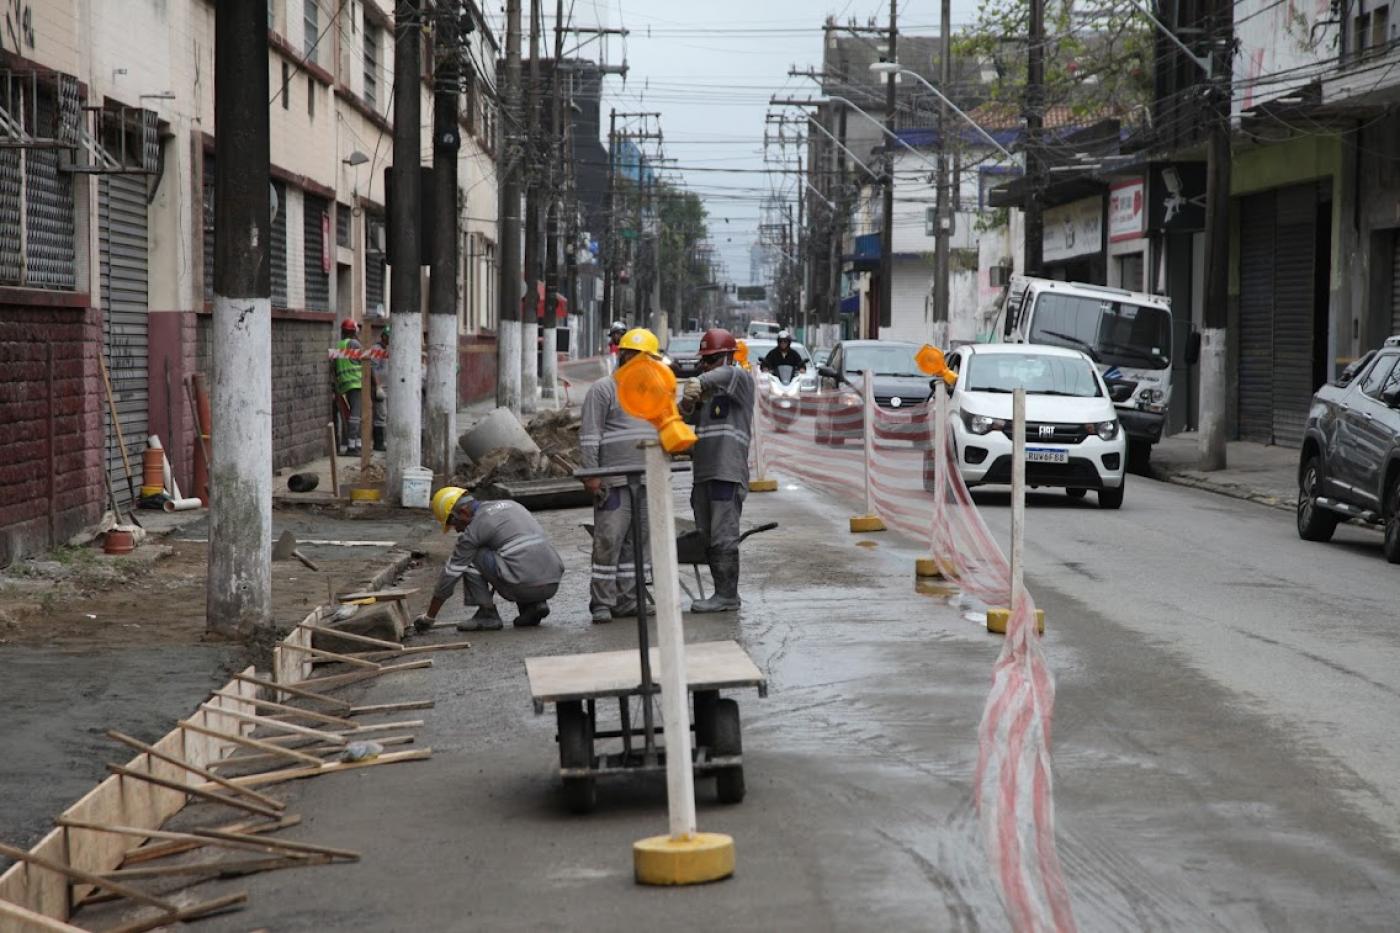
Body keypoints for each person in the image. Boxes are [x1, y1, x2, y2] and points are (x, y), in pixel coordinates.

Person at [580, 328, 660, 624]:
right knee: (609, 540)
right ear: (623, 356)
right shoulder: (603, 389)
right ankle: (602, 601)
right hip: (613, 481)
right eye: (637, 357)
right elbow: (590, 435)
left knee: (638, 544)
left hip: (646, 479)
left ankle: (629, 599)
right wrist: (591, 475)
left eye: (648, 359)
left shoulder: (654, 390)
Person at [414, 487, 565, 633]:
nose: (458, 530)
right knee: (513, 553)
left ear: (463, 512)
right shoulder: (513, 505)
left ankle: (487, 614)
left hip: (524, 586)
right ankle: (535, 604)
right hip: (552, 582)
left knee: (469, 557)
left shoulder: (473, 531)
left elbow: (450, 575)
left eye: (454, 523)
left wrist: (429, 617)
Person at [679, 328, 755, 613]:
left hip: (727, 471)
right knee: (708, 535)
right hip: (704, 473)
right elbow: (682, 413)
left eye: (710, 360)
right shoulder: (708, 394)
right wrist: (689, 400)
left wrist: (698, 380)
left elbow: (721, 376)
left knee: (723, 534)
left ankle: (727, 595)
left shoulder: (739, 379)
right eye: (703, 361)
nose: (705, 365)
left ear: (726, 357)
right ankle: (719, 593)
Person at [333, 319, 363, 455]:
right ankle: (352, 447)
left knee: (353, 415)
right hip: (356, 383)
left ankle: (357, 444)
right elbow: (366, 361)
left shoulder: (340, 345)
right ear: (353, 331)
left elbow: (334, 366)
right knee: (356, 416)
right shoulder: (354, 343)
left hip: (344, 385)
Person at [370, 326, 389, 451]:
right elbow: (372, 368)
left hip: (386, 387)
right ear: (383, 336)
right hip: (380, 387)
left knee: (384, 415)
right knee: (380, 415)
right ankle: (378, 443)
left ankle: (382, 441)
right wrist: (377, 386)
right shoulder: (376, 350)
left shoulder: (385, 350)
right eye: (388, 337)